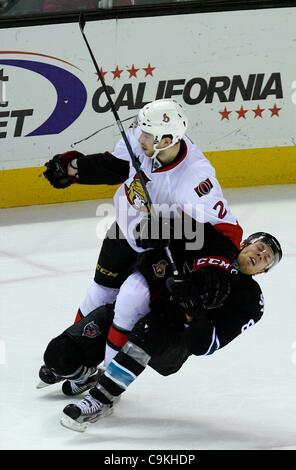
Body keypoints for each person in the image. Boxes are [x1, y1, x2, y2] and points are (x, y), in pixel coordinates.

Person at [42, 99, 242, 381]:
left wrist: (213, 266)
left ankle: (107, 374)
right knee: (98, 293)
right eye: (141, 130)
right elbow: (116, 166)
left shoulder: (195, 180)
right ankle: (76, 354)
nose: (140, 137)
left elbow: (226, 230)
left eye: (147, 134)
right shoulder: (144, 140)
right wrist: (75, 168)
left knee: (127, 303)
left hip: (157, 246)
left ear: (168, 139)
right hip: (122, 230)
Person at [39, 230, 282, 432]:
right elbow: (157, 258)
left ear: (262, 271)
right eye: (259, 248)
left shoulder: (251, 300)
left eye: (266, 259)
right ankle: (85, 377)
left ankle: (101, 399)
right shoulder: (212, 246)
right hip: (138, 311)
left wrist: (191, 314)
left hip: (173, 342)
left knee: (150, 329)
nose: (260, 256)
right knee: (58, 355)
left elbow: (208, 345)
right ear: (244, 244)